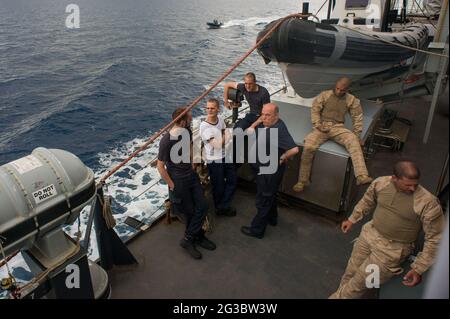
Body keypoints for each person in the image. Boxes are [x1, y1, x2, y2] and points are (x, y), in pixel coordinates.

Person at [330, 161, 445, 298]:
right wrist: (352, 219)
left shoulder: (427, 202)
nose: (413, 188)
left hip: (391, 250)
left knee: (358, 284)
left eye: (415, 184)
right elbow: (367, 201)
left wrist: (418, 269)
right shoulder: (381, 183)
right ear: (394, 178)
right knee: (351, 273)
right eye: (408, 185)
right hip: (369, 234)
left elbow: (436, 238)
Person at [293, 77, 372, 193]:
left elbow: (357, 117)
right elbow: (315, 109)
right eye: (338, 89)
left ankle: (361, 176)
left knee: (354, 142)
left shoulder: (352, 100)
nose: (339, 91)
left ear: (347, 89)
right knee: (309, 147)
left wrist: (357, 135)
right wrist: (317, 124)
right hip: (322, 127)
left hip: (338, 127)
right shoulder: (325, 95)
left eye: (342, 90)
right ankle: (302, 181)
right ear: (335, 86)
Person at [157, 107, 215, 260]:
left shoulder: (187, 131)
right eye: (189, 119)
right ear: (182, 121)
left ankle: (189, 238)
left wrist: (192, 162)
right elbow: (160, 166)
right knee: (189, 212)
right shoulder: (166, 140)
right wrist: (172, 185)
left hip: (191, 176)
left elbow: (189, 145)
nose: (191, 120)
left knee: (202, 205)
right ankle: (197, 237)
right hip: (179, 181)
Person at [240, 103, 299, 238]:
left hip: (268, 173)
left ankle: (257, 230)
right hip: (261, 168)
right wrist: (253, 125)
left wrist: (282, 158)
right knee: (270, 195)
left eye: (268, 115)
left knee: (263, 200)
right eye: (263, 114)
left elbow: (294, 149)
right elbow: (261, 119)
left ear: (276, 116)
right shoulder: (269, 122)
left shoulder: (278, 129)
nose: (264, 118)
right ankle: (272, 218)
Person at [200, 98, 237, 216]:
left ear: (218, 109)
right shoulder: (204, 126)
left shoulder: (220, 120)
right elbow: (216, 145)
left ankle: (223, 205)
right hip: (214, 160)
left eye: (212, 108)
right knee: (218, 186)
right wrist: (228, 134)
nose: (210, 110)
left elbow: (223, 133)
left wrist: (225, 135)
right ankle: (220, 208)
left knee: (232, 180)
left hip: (225, 156)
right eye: (208, 108)